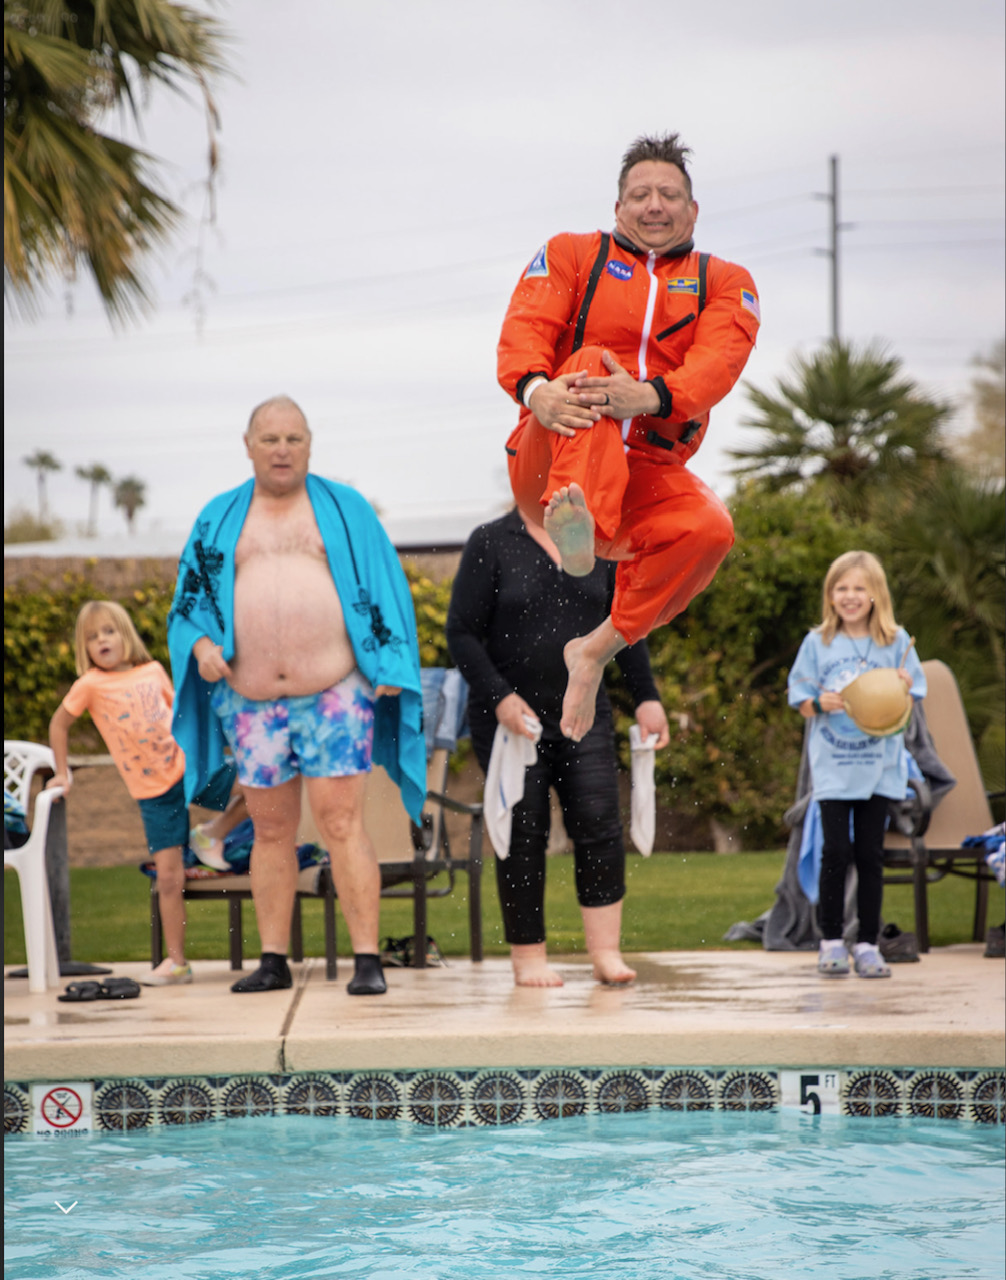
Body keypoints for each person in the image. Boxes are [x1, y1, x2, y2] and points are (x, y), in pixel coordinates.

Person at [498, 132, 760, 745]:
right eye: (639, 194)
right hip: (552, 451)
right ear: (618, 208)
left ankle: (592, 651)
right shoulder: (570, 254)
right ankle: (576, 520)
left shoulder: (726, 282)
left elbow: (718, 363)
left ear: (692, 211)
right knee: (589, 361)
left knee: (711, 528)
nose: (654, 205)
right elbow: (525, 328)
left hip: (643, 470)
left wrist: (646, 397)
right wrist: (540, 390)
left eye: (669, 194)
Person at [167, 395, 426, 996]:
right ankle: (273, 959)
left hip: (333, 693)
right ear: (248, 445)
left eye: (294, 438)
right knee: (270, 828)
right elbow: (188, 605)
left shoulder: (346, 509)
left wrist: (388, 660)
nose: (282, 449)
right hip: (250, 699)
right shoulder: (218, 518)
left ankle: (367, 960)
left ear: (310, 445)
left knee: (341, 821)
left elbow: (387, 588)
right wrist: (203, 646)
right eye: (271, 438)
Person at [446, 507, 670, 987]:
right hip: (510, 720)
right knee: (524, 833)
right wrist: (501, 697)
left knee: (599, 824)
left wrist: (647, 697)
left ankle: (606, 953)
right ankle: (528, 958)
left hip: (582, 711)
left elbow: (626, 626)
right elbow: (461, 633)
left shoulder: (599, 541)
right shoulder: (491, 542)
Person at [46, 600, 239, 986]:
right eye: (92, 637)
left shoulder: (152, 671)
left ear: (125, 636)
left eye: (108, 631)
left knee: (258, 784)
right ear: (84, 648)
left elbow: (182, 713)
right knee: (170, 877)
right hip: (153, 793)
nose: (101, 640)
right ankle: (178, 962)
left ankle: (210, 834)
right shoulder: (89, 686)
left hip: (188, 768)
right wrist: (61, 773)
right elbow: (58, 725)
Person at [787, 551, 927, 979]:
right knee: (835, 853)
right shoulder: (818, 643)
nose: (849, 596)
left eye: (858, 588)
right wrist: (817, 701)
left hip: (879, 767)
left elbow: (915, 693)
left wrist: (903, 685)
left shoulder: (896, 641)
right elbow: (801, 701)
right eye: (841, 588)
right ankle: (830, 942)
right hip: (834, 768)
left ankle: (867, 945)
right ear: (830, 595)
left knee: (869, 855)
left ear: (875, 595)